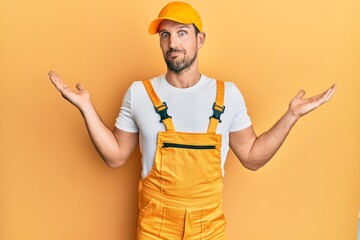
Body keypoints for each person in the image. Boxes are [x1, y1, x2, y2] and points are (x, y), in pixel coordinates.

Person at [48, 2, 336, 239]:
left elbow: (252, 156)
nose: (173, 43)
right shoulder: (139, 93)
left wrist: (292, 115)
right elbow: (115, 157)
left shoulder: (228, 95)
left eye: (182, 33)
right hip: (155, 227)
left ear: (200, 39)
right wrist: (86, 107)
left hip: (208, 228)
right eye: (165, 35)